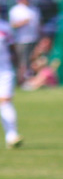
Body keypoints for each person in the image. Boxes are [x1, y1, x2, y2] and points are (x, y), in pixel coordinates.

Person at [0, 16, 23, 148]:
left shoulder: (5, 27)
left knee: (5, 102)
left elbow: (13, 49)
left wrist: (20, 68)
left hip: (4, 71)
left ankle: (12, 135)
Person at [9, 0, 40, 84]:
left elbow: (39, 24)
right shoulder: (15, 10)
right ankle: (21, 81)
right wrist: (24, 22)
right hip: (21, 40)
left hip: (34, 38)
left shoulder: (34, 9)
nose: (25, 0)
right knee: (22, 62)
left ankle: (32, 81)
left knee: (34, 61)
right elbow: (13, 25)